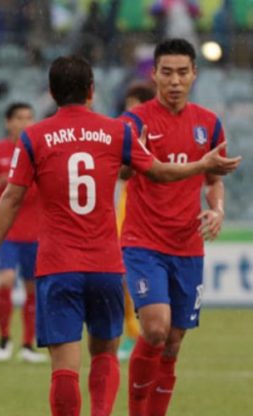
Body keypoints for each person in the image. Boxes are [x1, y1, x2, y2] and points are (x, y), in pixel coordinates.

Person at [0, 55, 239, 416]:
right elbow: (159, 172)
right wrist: (201, 166)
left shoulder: (35, 136)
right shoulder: (117, 131)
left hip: (57, 264)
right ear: (92, 91)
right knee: (106, 354)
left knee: (64, 364)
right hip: (104, 264)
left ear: (51, 93)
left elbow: (12, 198)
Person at [119, 38, 233, 416]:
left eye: (183, 72)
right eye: (166, 72)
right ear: (154, 75)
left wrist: (216, 210)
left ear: (194, 74)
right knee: (154, 328)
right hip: (143, 242)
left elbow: (214, 180)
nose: (174, 81)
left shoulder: (209, 124)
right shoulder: (135, 121)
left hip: (188, 247)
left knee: (173, 344)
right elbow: (131, 170)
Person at [0, 102, 46, 363]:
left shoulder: (41, 150)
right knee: (6, 280)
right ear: (8, 122)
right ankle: (3, 339)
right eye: (20, 118)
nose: (25, 123)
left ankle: (27, 345)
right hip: (8, 231)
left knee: (33, 288)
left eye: (29, 117)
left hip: (36, 232)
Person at [116, 81, 156, 361]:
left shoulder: (163, 135)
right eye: (128, 106)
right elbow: (119, 173)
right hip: (128, 213)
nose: (130, 113)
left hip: (157, 218)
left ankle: (151, 333)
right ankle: (132, 333)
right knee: (123, 277)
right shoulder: (124, 134)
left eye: (135, 106)